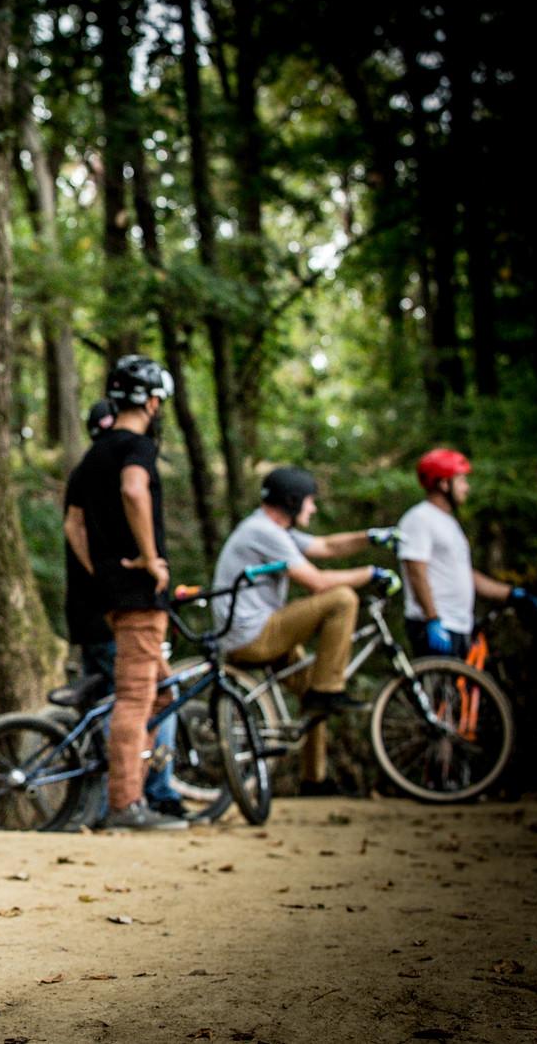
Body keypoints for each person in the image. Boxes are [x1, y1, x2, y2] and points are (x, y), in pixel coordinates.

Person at [211, 467, 400, 794]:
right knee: (341, 598)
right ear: (292, 501)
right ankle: (328, 690)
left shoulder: (273, 529)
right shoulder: (264, 532)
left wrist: (369, 537)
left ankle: (315, 779)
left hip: (254, 631)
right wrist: (371, 572)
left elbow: (326, 547)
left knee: (311, 693)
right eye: (310, 502)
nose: (312, 509)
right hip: (253, 635)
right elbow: (318, 582)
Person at [65, 355, 185, 831]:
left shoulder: (93, 455)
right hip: (137, 595)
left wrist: (100, 569)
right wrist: (150, 557)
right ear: (153, 403)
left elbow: (74, 524)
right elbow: (135, 490)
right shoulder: (136, 448)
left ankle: (144, 789)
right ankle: (125, 804)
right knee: (136, 698)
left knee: (162, 694)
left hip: (113, 594)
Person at [398, 448, 537, 658]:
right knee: (437, 690)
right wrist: (432, 619)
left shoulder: (450, 524)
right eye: (461, 480)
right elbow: (416, 571)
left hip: (460, 625)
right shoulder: (419, 519)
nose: (467, 487)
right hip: (434, 625)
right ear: (443, 483)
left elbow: (464, 575)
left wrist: (511, 594)